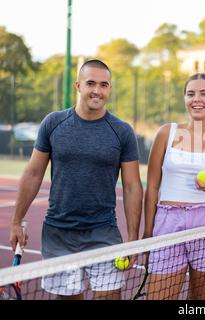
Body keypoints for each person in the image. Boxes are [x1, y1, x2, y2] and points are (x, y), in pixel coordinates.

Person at [9, 59, 143, 300]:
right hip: (59, 234)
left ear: (109, 88)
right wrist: (16, 221)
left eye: (104, 85)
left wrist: (132, 240)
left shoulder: (122, 131)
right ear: (78, 85)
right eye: (91, 83)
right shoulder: (53, 123)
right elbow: (33, 173)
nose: (97, 90)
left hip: (104, 233)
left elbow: (133, 186)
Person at [144, 73, 205, 300]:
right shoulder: (166, 133)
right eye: (191, 94)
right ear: (185, 98)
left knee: (201, 302)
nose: (197, 99)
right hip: (167, 223)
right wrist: (148, 232)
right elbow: (151, 189)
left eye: (204, 93)